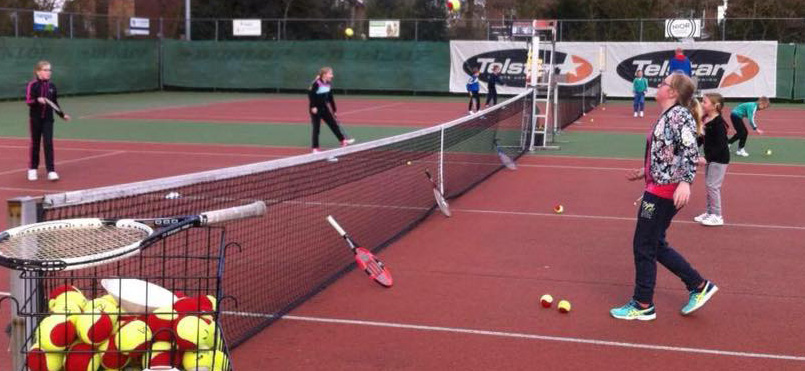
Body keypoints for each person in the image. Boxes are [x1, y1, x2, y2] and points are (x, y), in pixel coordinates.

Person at [610, 72, 718, 321]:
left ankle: (642, 303)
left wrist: (686, 183)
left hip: (664, 192)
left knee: (643, 245)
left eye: (663, 83)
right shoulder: (668, 115)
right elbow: (667, 153)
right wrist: (644, 172)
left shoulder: (679, 114)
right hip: (657, 187)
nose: (658, 86)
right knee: (654, 244)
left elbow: (690, 149)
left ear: (672, 92)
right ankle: (699, 285)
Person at [25, 60, 70, 181]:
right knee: (35, 144)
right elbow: (29, 101)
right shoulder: (32, 85)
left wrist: (62, 114)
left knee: (48, 143)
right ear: (38, 72)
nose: (48, 72)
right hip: (35, 119)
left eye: (50, 70)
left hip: (48, 119)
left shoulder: (52, 87)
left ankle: (51, 171)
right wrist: (37, 100)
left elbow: (54, 103)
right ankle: (32, 169)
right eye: (45, 70)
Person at [693, 93, 730, 226]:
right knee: (709, 185)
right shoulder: (705, 119)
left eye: (705, 102)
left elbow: (721, 146)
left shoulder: (719, 123)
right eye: (702, 101)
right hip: (711, 158)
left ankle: (718, 215)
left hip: (719, 159)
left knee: (713, 186)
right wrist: (691, 149)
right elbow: (701, 138)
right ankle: (710, 213)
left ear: (715, 106)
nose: (702, 104)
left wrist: (706, 158)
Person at [308, 67, 353, 153]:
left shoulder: (328, 83)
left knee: (333, 125)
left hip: (324, 108)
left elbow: (330, 97)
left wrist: (334, 109)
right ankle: (315, 148)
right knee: (316, 128)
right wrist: (313, 107)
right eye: (330, 74)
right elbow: (311, 94)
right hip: (316, 109)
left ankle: (343, 140)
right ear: (324, 75)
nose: (332, 75)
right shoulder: (316, 83)